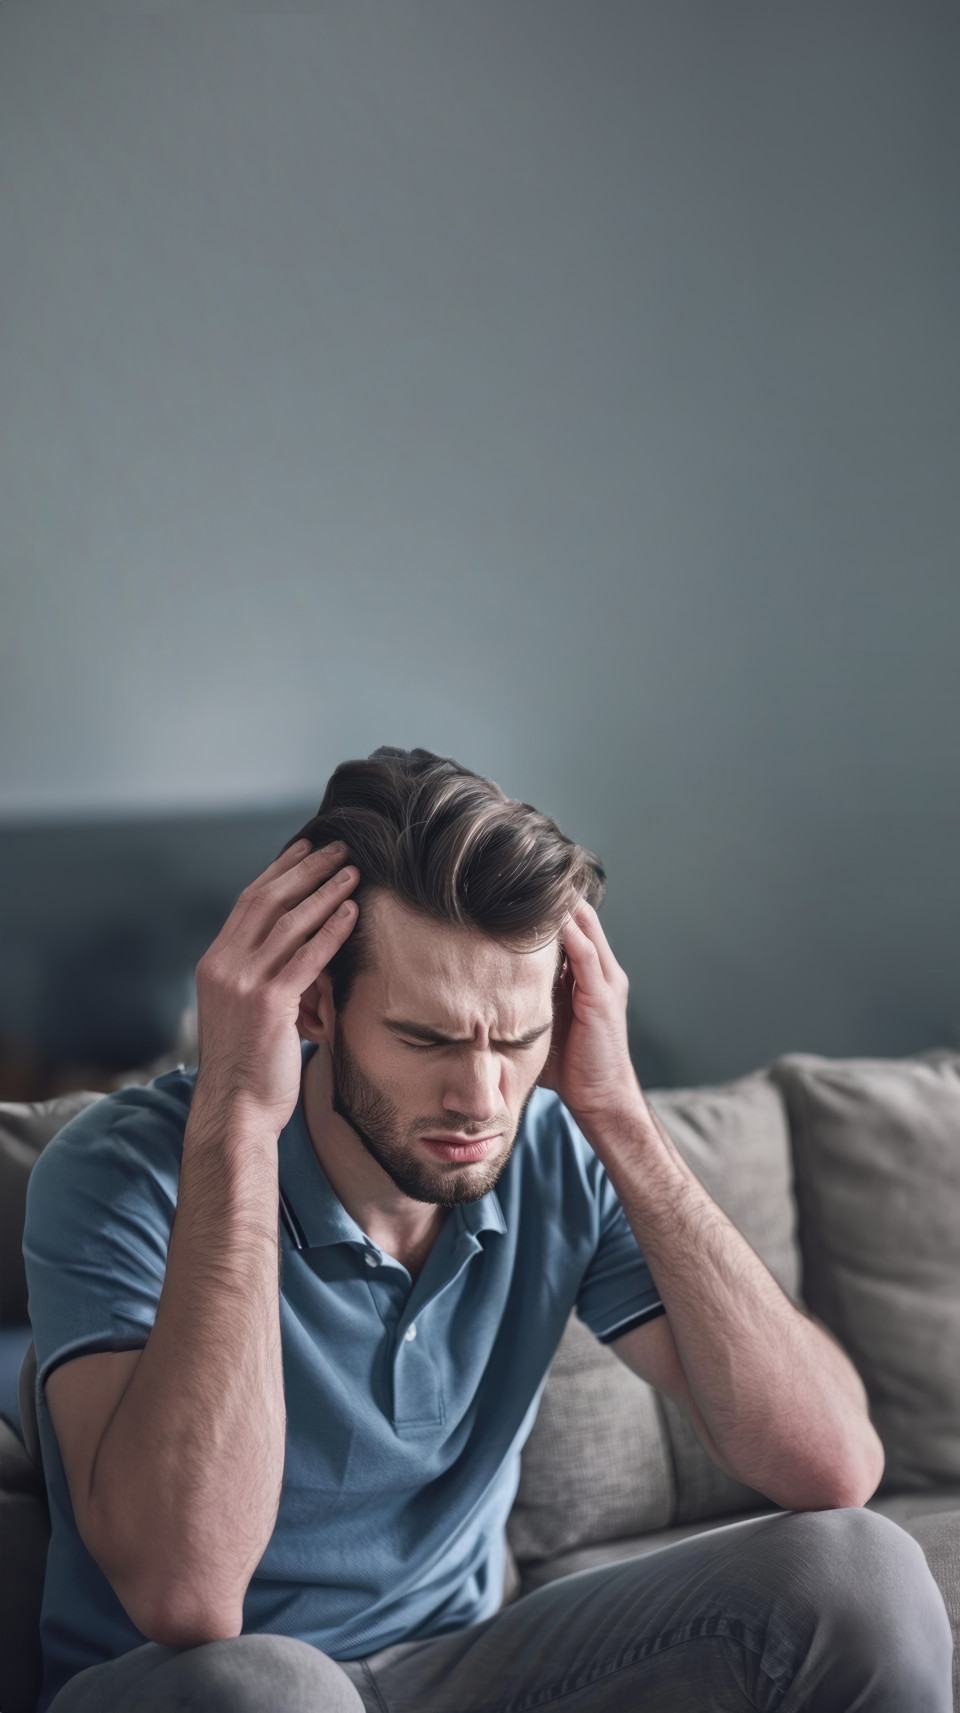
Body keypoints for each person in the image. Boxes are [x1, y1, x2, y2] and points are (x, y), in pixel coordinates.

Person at [24, 747, 953, 1712]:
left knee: (859, 1570)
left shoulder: (551, 1146)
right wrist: (234, 1124)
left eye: (515, 1040)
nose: (480, 1098)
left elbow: (834, 1463)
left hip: (475, 1667)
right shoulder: (121, 1171)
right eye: (425, 1038)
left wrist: (619, 1116)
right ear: (313, 1003)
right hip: (212, 1686)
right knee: (270, 1687)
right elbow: (187, 1594)